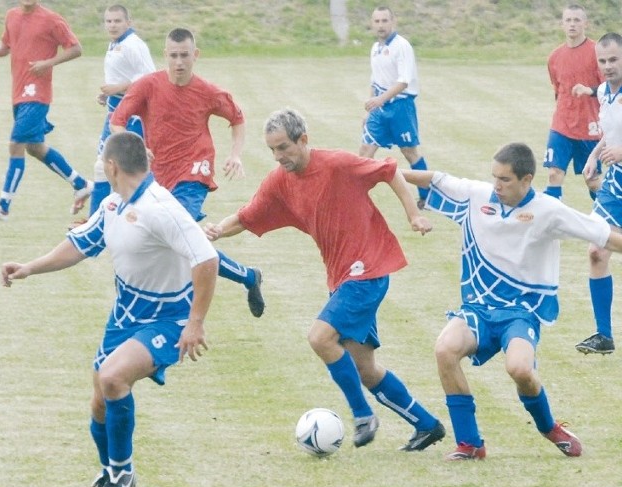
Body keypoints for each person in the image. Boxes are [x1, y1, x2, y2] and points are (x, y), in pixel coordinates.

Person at [205, 108, 445, 451]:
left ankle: (363, 415)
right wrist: (214, 231)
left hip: (368, 270)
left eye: (284, 147)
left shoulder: (337, 165)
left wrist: (414, 214)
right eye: (273, 149)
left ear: (303, 139)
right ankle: (427, 425)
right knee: (365, 368)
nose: (278, 156)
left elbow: (390, 171)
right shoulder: (279, 182)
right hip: (342, 277)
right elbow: (246, 216)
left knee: (320, 337)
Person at [1, 131, 219, 487]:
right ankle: (110, 471)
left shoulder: (159, 207)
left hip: (169, 317)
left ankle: (122, 471)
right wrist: (29, 268)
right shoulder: (114, 205)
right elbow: (78, 246)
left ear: (111, 166)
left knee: (113, 378)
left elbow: (207, 258)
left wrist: (195, 322)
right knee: (99, 399)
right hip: (125, 315)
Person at [403, 142, 622, 460]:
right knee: (444, 349)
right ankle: (470, 444)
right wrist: (388, 171)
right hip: (477, 308)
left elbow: (603, 236)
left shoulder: (549, 211)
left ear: (527, 179)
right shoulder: (476, 196)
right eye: (495, 177)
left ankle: (549, 427)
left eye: (504, 179)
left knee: (520, 369)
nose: (497, 185)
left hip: (522, 311)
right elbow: (436, 178)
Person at [110, 28, 264, 318]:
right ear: (165, 55)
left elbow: (237, 118)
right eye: (173, 55)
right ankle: (248, 277)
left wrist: (235, 154)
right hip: (158, 176)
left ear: (195, 55)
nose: (179, 62)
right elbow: (117, 121)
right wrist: (137, 146)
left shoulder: (208, 92)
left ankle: (175, 309)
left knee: (177, 236)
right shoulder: (147, 86)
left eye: (184, 55)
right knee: (180, 243)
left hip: (195, 172)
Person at [0, 0, 93, 221]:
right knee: (35, 148)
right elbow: (6, 44)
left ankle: (3, 207)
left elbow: (76, 48)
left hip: (37, 94)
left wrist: (48, 63)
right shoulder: (12, 16)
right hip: (18, 93)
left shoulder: (51, 20)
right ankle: (81, 185)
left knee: (16, 144)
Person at [573, 32, 622, 355]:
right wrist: (594, 156)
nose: (607, 66)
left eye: (613, 60)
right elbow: (610, 132)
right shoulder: (604, 92)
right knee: (596, 249)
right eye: (602, 61)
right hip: (615, 183)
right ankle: (604, 336)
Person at [359, 6, 429, 208]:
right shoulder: (375, 48)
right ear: (372, 24)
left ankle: (426, 196)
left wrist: (380, 100)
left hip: (400, 107)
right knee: (365, 151)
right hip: (379, 109)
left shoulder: (402, 46)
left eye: (384, 21)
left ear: (393, 22)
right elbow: (375, 82)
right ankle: (354, 195)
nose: (380, 25)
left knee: (410, 153)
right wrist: (371, 108)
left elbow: (403, 82)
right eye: (377, 21)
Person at [89, 4, 155, 216]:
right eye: (109, 21)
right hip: (114, 111)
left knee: (130, 168)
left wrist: (117, 88)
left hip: (131, 115)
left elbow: (149, 78)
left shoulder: (134, 45)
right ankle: (98, 218)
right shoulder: (116, 43)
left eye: (117, 21)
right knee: (103, 167)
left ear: (128, 22)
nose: (112, 25)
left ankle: (140, 213)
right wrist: (108, 93)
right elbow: (124, 75)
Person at [543, 4, 602, 201]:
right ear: (562, 24)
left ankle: (610, 220)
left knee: (592, 179)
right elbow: (558, 90)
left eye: (577, 20)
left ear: (585, 23)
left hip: (589, 127)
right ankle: (550, 225)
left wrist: (589, 91)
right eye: (568, 20)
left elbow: (610, 88)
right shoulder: (554, 57)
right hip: (561, 126)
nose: (572, 24)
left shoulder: (597, 52)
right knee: (553, 174)